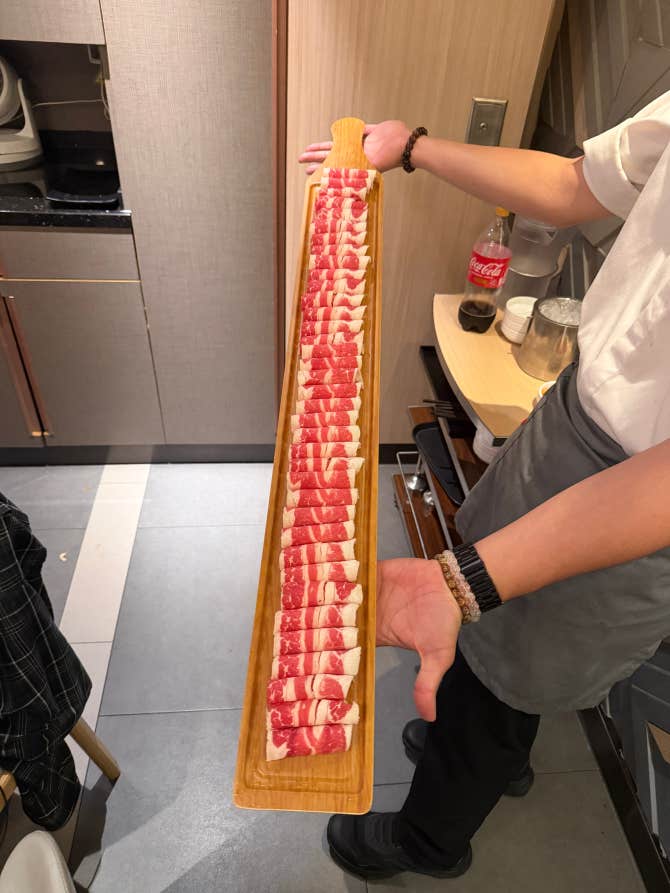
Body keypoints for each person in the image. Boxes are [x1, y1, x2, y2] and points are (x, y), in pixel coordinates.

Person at [298, 91, 670, 881]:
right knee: (491, 653)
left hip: (640, 507)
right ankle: (493, 754)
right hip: (571, 415)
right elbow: (575, 184)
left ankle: (430, 841)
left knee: (515, 671)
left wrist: (464, 581)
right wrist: (413, 147)